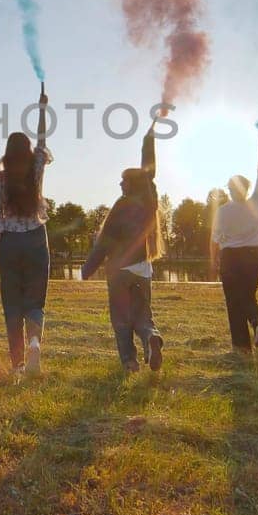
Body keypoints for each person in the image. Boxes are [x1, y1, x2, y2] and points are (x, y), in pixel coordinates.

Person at [81, 117, 165, 373]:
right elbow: (149, 171)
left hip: (119, 271)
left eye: (124, 180)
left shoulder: (122, 205)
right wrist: (148, 139)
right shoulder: (150, 203)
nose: (120, 184)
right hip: (142, 269)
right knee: (142, 314)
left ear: (132, 184)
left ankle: (129, 362)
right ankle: (150, 336)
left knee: (121, 319)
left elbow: (105, 241)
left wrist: (88, 268)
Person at [0, 83, 54, 379]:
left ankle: (17, 367)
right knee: (35, 300)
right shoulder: (36, 168)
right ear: (26, 151)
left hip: (10, 243)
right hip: (37, 238)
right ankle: (35, 342)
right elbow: (42, 139)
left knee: (12, 304)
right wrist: (41, 108)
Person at [212, 131, 258, 353]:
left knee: (234, 302)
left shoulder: (222, 211)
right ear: (246, 189)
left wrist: (214, 260)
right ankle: (257, 324)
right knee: (247, 295)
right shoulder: (256, 202)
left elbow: (214, 239)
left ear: (230, 190)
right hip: (253, 256)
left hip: (231, 258)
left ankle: (241, 347)